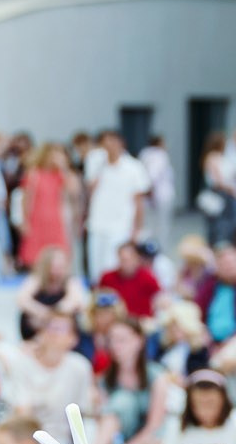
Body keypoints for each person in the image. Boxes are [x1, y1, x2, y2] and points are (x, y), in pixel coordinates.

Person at [0, 309, 97, 428]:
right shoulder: (23, 363)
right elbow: (22, 411)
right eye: (50, 326)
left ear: (73, 338)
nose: (53, 332)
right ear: (40, 333)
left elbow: (85, 410)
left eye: (60, 328)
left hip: (64, 439)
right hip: (28, 434)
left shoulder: (80, 367)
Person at [94, 315, 172, 444]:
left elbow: (154, 425)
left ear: (139, 341)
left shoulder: (156, 376)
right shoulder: (105, 379)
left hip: (148, 439)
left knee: (123, 400)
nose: (115, 345)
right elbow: (104, 421)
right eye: (112, 340)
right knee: (120, 403)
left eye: (122, 340)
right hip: (117, 440)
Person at [86, 130, 151, 281]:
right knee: (95, 268)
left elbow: (139, 201)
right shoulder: (97, 163)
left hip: (120, 225)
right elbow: (90, 190)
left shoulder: (134, 167)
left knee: (112, 266)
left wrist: (137, 229)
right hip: (97, 224)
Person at [18, 141, 75, 267]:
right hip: (37, 219)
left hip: (56, 219)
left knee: (58, 254)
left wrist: (64, 167)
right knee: (35, 256)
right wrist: (24, 221)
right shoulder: (34, 174)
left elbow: (73, 190)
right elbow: (26, 199)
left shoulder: (60, 174)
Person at [196, 243, 236, 345]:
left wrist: (232, 341)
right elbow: (198, 311)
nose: (229, 268)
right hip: (208, 340)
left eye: (232, 264)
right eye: (224, 264)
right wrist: (203, 331)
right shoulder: (210, 286)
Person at [18, 245, 91, 336]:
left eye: (60, 266)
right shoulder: (35, 279)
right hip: (36, 331)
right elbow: (22, 300)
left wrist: (52, 316)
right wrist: (42, 312)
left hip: (62, 330)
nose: (57, 271)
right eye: (54, 266)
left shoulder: (71, 281)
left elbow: (75, 301)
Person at [96, 239, 160, 319]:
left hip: (141, 322)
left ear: (136, 259)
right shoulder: (107, 278)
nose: (125, 263)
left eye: (128, 260)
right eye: (122, 259)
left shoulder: (148, 277)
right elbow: (98, 301)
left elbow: (159, 298)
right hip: (116, 322)